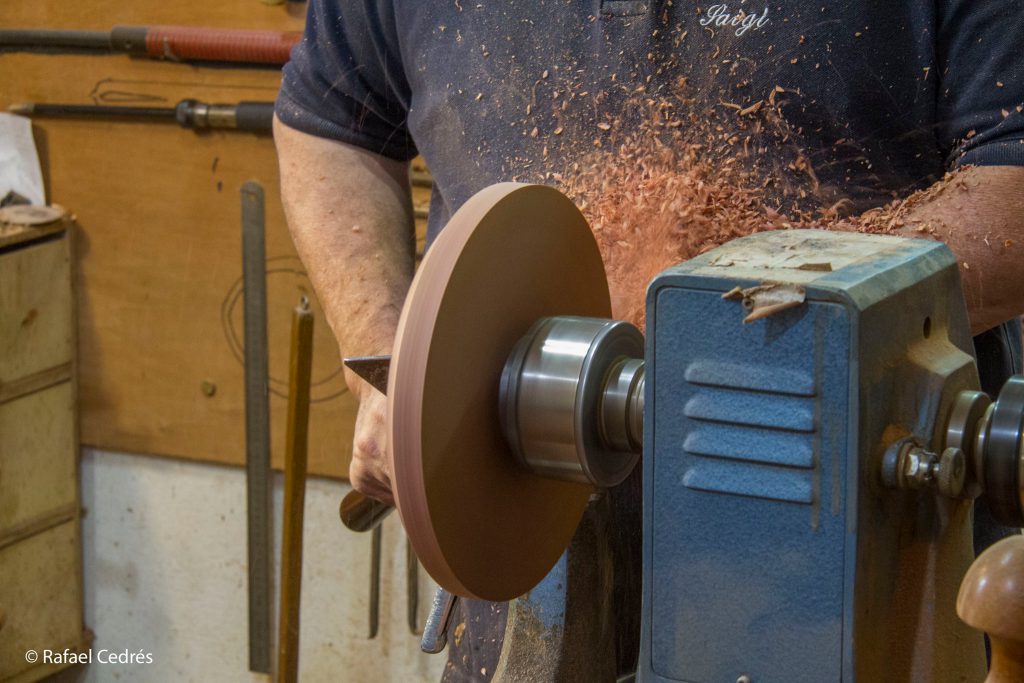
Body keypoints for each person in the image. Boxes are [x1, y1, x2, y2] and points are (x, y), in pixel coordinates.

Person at [274, 2, 1024, 679]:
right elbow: (331, 124)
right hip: (526, 542)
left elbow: (1011, 180)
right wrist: (393, 362)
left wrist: (759, 311)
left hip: (851, 540)